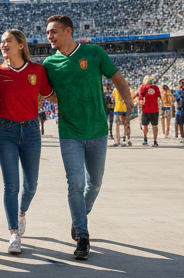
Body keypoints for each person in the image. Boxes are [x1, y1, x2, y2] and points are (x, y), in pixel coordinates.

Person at [42, 15, 133, 261]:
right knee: (75, 184)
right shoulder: (49, 64)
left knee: (96, 183)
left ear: (68, 31)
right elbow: (46, 94)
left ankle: (78, 216)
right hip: (69, 132)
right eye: (47, 32)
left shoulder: (94, 53)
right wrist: (56, 99)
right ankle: (83, 236)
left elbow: (117, 79)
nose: (49, 36)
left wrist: (129, 102)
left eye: (53, 32)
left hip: (97, 130)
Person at [0, 29, 53, 255]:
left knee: (31, 185)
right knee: (11, 186)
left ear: (21, 45)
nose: (3, 45)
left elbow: (48, 93)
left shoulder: (37, 70)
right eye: (2, 42)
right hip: (5, 131)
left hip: (32, 131)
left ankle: (21, 212)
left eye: (8, 41)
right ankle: (14, 233)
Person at [136, 75, 161, 147]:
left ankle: (151, 140)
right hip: (149, 109)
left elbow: (140, 96)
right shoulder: (145, 87)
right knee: (150, 126)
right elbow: (140, 96)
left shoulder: (155, 88)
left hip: (151, 109)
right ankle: (149, 139)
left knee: (151, 126)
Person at [112, 81, 131, 147]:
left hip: (117, 108)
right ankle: (125, 140)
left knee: (117, 126)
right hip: (124, 108)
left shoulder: (115, 89)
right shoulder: (126, 90)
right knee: (125, 125)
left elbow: (113, 97)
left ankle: (118, 141)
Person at [174, 79, 184, 143]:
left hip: (180, 109)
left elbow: (175, 98)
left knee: (181, 124)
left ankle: (183, 137)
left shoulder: (177, 92)